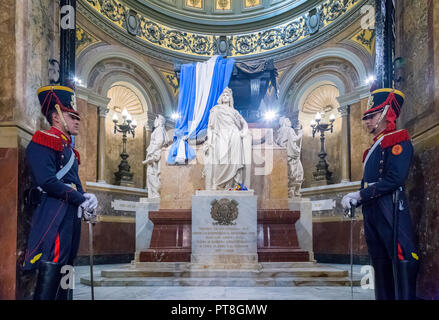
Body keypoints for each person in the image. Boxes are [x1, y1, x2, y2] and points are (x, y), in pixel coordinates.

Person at [341, 87, 419, 300]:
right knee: (379, 260)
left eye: (371, 116)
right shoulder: (376, 146)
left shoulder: (398, 139)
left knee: (401, 258)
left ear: (385, 113)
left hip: (390, 207)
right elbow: (371, 181)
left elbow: (394, 179)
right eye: (366, 117)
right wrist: (357, 196)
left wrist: (360, 195)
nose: (366, 121)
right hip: (373, 209)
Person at [23, 85, 98, 300]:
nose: (77, 121)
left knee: (67, 265)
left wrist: (86, 197)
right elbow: (47, 181)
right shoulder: (43, 141)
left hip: (70, 213)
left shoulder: (68, 149)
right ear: (56, 117)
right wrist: (79, 198)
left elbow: (72, 182)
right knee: (54, 262)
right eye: (72, 116)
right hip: (54, 213)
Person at [203, 87, 251, 190]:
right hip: (221, 136)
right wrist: (209, 141)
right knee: (221, 160)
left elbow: (244, 123)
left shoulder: (234, 111)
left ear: (230, 98)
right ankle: (218, 183)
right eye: (224, 95)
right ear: (221, 98)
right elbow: (210, 127)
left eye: (228, 95)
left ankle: (232, 185)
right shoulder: (216, 110)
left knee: (234, 161)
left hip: (234, 136)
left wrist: (244, 131)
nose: (225, 96)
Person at [142, 115, 170, 198]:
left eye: (155, 120)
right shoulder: (160, 130)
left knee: (152, 174)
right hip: (154, 154)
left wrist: (151, 151)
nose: (154, 122)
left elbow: (159, 141)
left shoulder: (159, 130)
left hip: (155, 155)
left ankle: (156, 193)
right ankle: (154, 193)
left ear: (159, 121)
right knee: (152, 174)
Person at [275, 117, 304, 197]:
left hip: (284, 156)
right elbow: (294, 140)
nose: (290, 122)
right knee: (298, 172)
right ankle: (295, 192)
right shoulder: (289, 130)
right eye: (288, 120)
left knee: (289, 173)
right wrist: (301, 134)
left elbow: (279, 143)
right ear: (284, 122)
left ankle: (290, 191)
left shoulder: (279, 132)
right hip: (292, 155)